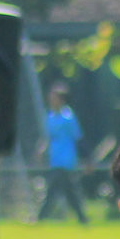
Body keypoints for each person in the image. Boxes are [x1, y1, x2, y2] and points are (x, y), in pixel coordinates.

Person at [39, 84, 88, 225]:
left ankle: (40, 217)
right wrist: (42, 150)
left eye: (54, 98)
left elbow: (78, 138)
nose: (51, 100)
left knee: (52, 188)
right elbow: (48, 138)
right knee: (69, 191)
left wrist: (86, 158)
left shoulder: (68, 118)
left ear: (61, 100)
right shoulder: (50, 117)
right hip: (55, 159)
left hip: (66, 159)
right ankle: (82, 218)